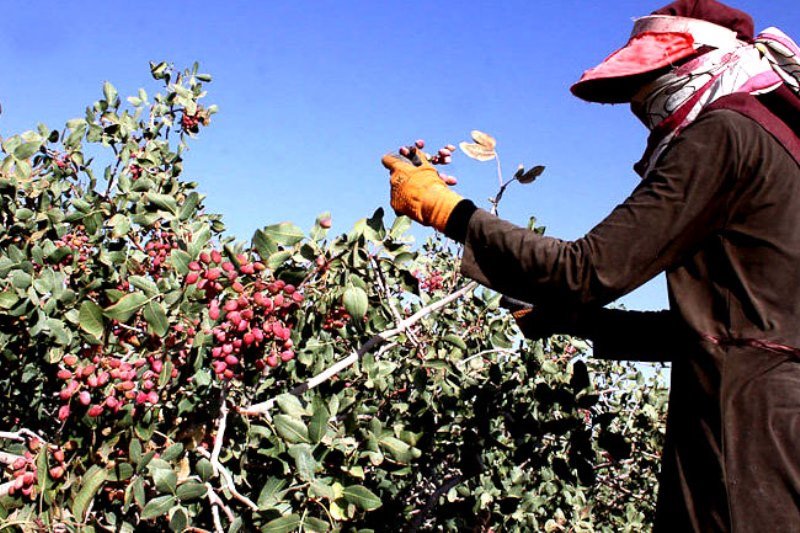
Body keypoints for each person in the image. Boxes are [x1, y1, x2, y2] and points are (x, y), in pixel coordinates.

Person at [381, 0, 800, 531]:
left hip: (739, 436)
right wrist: (573, 320)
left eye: (646, 90)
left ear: (689, 66)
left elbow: (585, 271)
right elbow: (728, 331)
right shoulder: (783, 146)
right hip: (770, 427)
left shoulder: (724, 134)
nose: (640, 110)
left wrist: (448, 211)